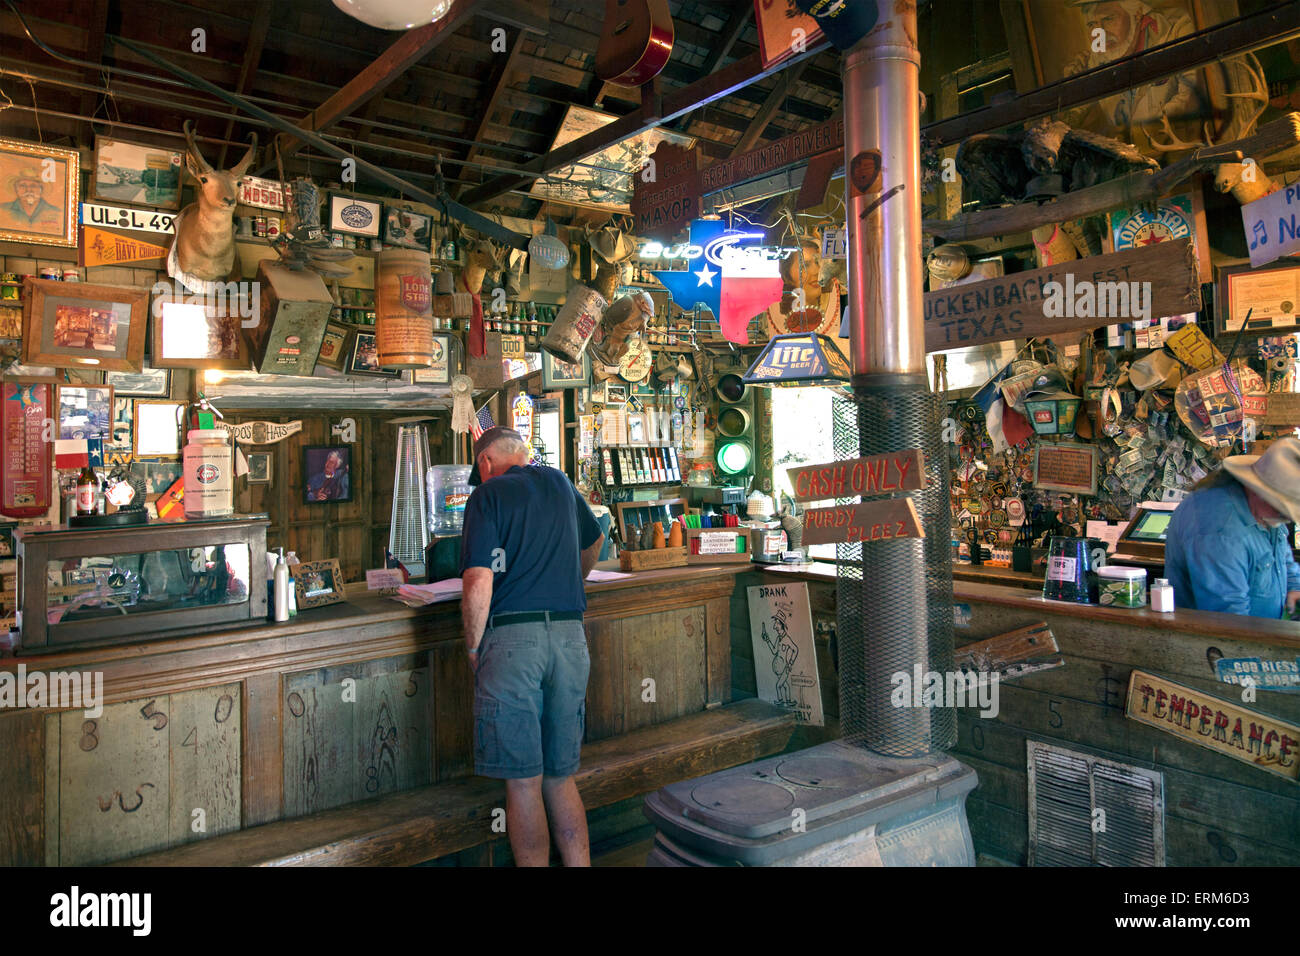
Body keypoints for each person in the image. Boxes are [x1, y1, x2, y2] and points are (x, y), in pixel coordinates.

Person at [459, 426, 604, 866]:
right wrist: (570, 581)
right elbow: (595, 539)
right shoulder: (560, 482)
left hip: (512, 640)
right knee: (560, 777)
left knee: (523, 782)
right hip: (569, 638)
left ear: (485, 462)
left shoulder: (487, 496)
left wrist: (472, 646)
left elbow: (478, 578)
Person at [1164, 437, 1300, 619]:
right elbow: (1229, 619)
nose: (1288, 517)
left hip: (1262, 635)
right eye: (1283, 508)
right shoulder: (1219, 529)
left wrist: (1294, 586)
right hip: (1217, 643)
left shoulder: (1266, 512)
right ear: (1257, 489)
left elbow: (1281, 554)